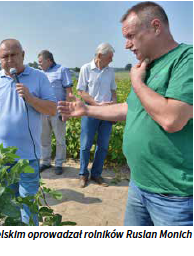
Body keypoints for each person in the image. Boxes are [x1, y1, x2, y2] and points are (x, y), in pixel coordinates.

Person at [58, 1, 193, 226]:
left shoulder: (186, 59)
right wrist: (87, 109)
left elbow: (172, 119)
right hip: (139, 185)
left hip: (173, 195)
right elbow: (131, 109)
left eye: (131, 36)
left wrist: (137, 83)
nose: (127, 45)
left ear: (156, 27)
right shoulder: (147, 66)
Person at [0, 39, 57, 225]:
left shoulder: (38, 77)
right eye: (4, 57)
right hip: (1, 157)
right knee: (8, 205)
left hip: (27, 158)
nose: (10, 60)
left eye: (14, 55)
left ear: (23, 54)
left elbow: (52, 109)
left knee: (28, 206)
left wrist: (30, 98)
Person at [76, 43, 117, 188]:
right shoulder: (85, 69)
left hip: (107, 114)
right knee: (85, 144)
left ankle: (96, 174)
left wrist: (114, 108)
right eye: (110, 57)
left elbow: (113, 91)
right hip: (90, 112)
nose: (112, 60)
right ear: (100, 56)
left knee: (103, 145)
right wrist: (97, 106)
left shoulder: (110, 71)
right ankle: (83, 174)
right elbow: (81, 91)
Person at [38, 50, 73, 175]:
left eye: (41, 62)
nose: (39, 64)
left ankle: (59, 163)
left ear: (49, 60)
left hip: (58, 111)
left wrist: (66, 111)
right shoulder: (41, 73)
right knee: (44, 138)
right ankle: (45, 162)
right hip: (43, 111)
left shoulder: (62, 70)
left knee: (60, 139)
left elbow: (69, 92)